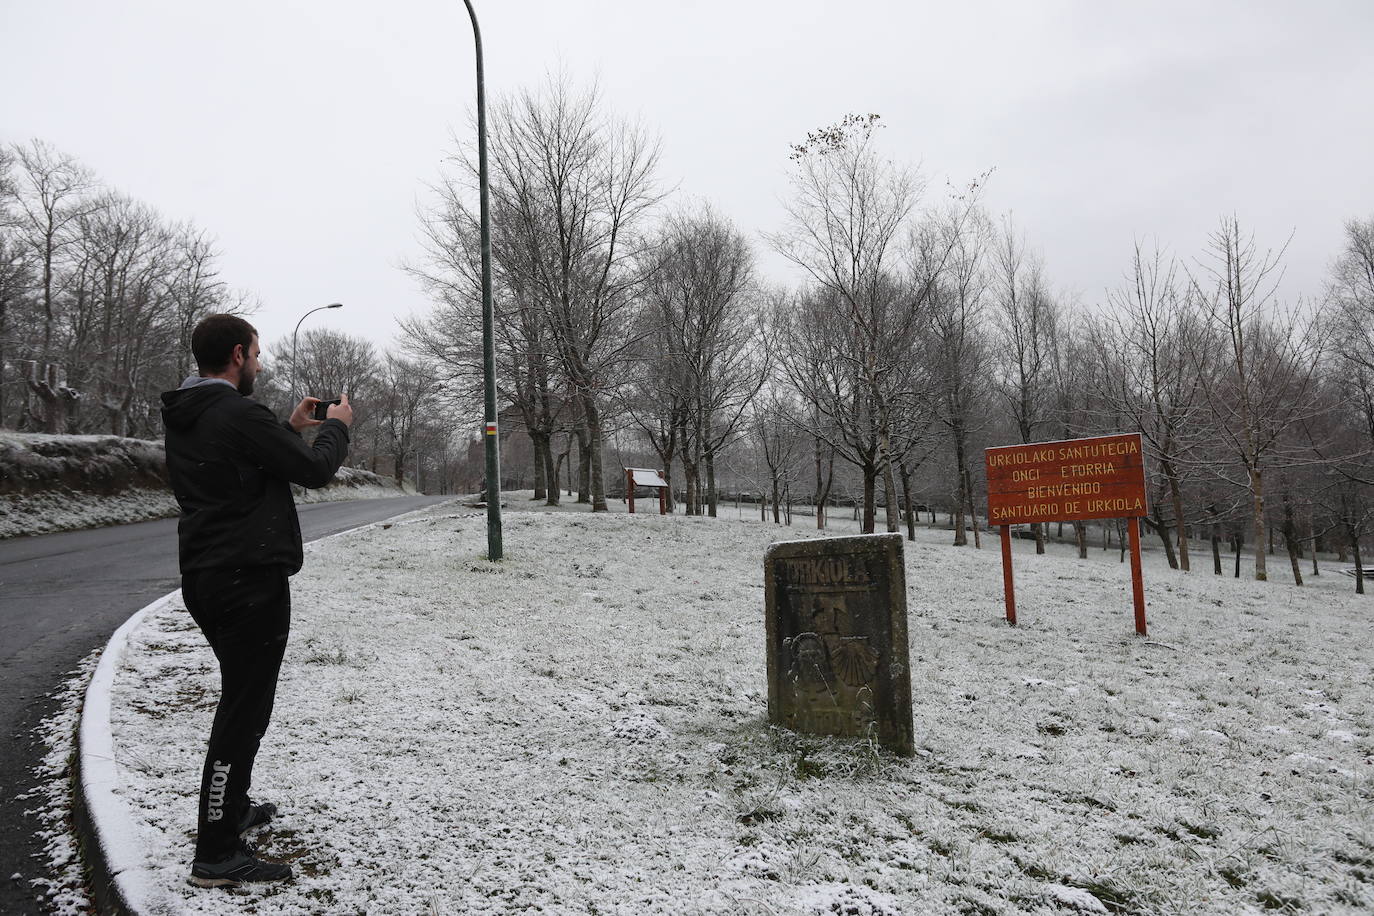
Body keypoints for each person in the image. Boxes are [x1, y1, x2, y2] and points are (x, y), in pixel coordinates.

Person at [160, 314, 353, 887]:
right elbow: (316, 470)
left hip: (209, 576)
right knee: (243, 710)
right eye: (259, 354)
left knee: (246, 701)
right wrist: (336, 426)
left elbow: (255, 470)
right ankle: (216, 853)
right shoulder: (238, 412)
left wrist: (288, 428)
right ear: (239, 354)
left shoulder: (189, 414)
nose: (261, 364)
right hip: (248, 581)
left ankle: (233, 810)